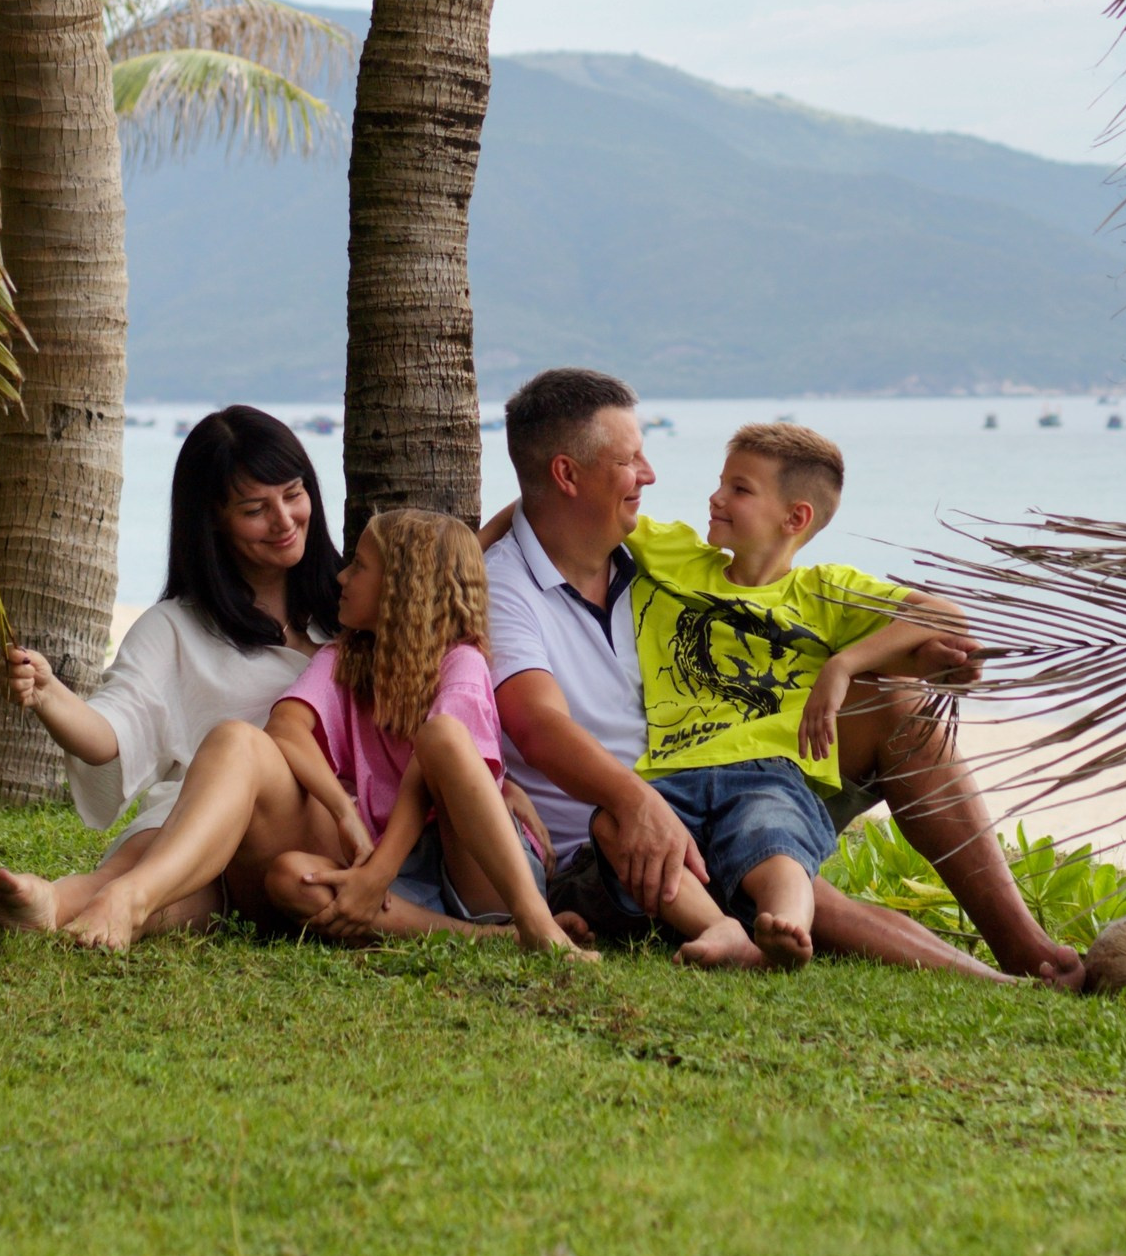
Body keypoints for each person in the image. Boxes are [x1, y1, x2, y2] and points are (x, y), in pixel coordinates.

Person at [483, 366, 1083, 987]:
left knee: (899, 708)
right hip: (619, 826)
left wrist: (885, 660)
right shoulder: (510, 584)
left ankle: (1025, 949)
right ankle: (1011, 982)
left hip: (746, 774)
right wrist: (634, 801)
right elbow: (538, 724)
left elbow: (916, 628)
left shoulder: (639, 550)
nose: (652, 476)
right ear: (566, 475)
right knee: (799, 890)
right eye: (629, 461)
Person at [0, 403, 342, 942]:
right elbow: (112, 732)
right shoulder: (176, 627)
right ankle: (59, 903)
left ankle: (123, 895)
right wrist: (49, 694)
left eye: (293, 493)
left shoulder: (352, 603)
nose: (284, 521)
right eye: (255, 508)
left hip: (318, 844)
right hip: (214, 861)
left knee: (238, 747)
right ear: (212, 517)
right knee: (168, 848)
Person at [622, 425, 951, 970]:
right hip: (668, 770)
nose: (716, 498)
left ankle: (789, 926)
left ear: (795, 518)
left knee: (773, 835)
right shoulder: (672, 553)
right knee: (624, 828)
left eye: (740, 490)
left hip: (768, 770)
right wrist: (472, 547)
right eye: (721, 483)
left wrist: (843, 665)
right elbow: (557, 508)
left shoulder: (822, 592)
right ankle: (723, 930)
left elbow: (943, 614)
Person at [259, 504, 590, 958]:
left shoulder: (462, 661)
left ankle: (534, 919)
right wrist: (345, 812)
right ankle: (496, 939)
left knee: (440, 738)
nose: (341, 578)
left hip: (479, 868)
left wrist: (377, 875)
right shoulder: (343, 661)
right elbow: (285, 727)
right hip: (403, 870)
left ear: (401, 587)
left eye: (358, 567)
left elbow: (429, 770)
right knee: (288, 876)